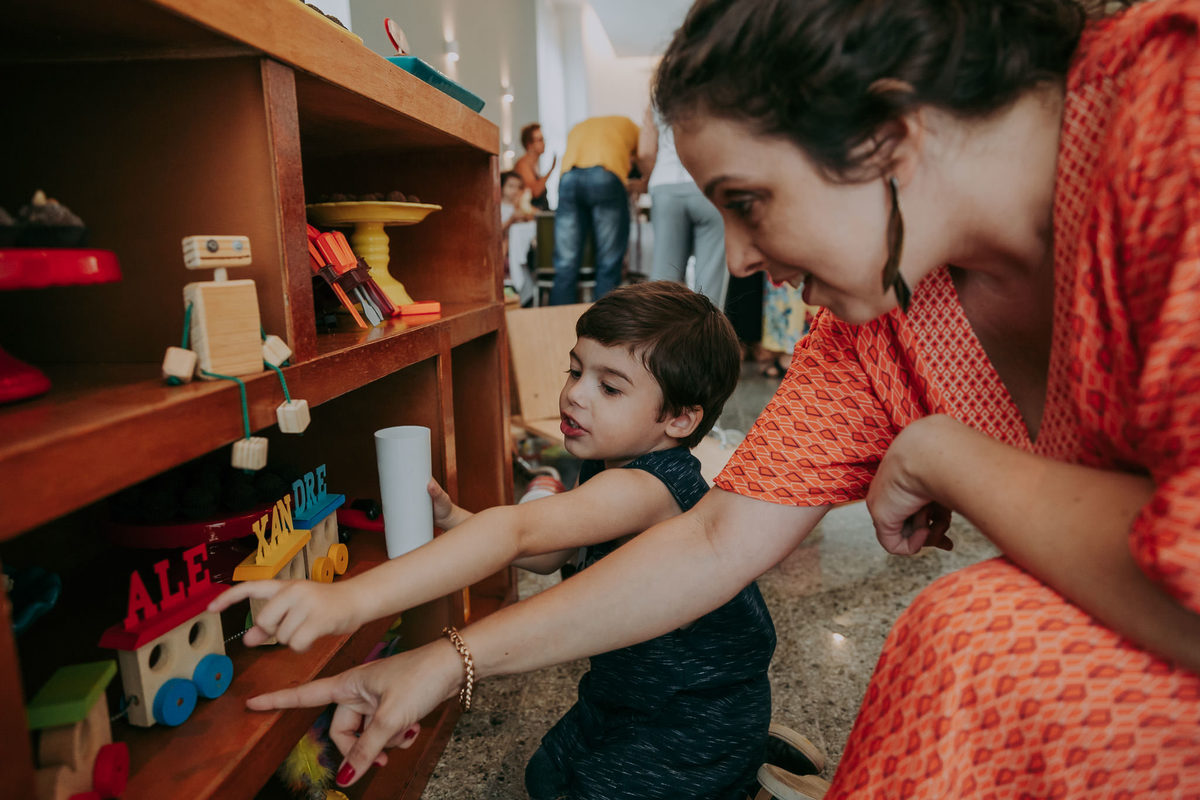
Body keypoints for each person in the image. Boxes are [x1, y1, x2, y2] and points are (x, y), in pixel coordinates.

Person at [232, 1, 1200, 797]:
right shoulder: (869, 331)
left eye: (747, 200)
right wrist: (443, 659)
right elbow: (714, 540)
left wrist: (945, 452)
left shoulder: (1171, 120)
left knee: (981, 633)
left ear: (888, 129)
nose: (736, 258)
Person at [212, 282, 801, 799]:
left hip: (691, 711)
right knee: (546, 777)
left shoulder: (647, 487)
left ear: (679, 420)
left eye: (610, 387)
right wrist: (456, 519)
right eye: (576, 370)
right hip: (623, 692)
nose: (575, 394)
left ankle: (741, 769)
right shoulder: (609, 464)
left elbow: (518, 530)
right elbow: (548, 553)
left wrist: (349, 599)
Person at [638, 101, 730, 309]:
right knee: (710, 280)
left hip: (665, 185)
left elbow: (645, 152)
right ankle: (709, 329)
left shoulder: (658, 99)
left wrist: (653, 175)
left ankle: (658, 329)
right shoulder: (719, 92)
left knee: (664, 280)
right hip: (707, 183)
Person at [550, 115, 640, 305]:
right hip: (605, 175)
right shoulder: (632, 127)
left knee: (566, 263)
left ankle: (558, 320)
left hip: (569, 177)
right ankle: (602, 321)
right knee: (608, 262)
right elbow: (643, 157)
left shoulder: (579, 126)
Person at [514, 122, 556, 211]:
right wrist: (551, 169)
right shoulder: (523, 165)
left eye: (543, 139)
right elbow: (535, 192)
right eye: (540, 140)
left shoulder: (535, 165)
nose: (544, 143)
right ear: (529, 144)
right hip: (533, 216)